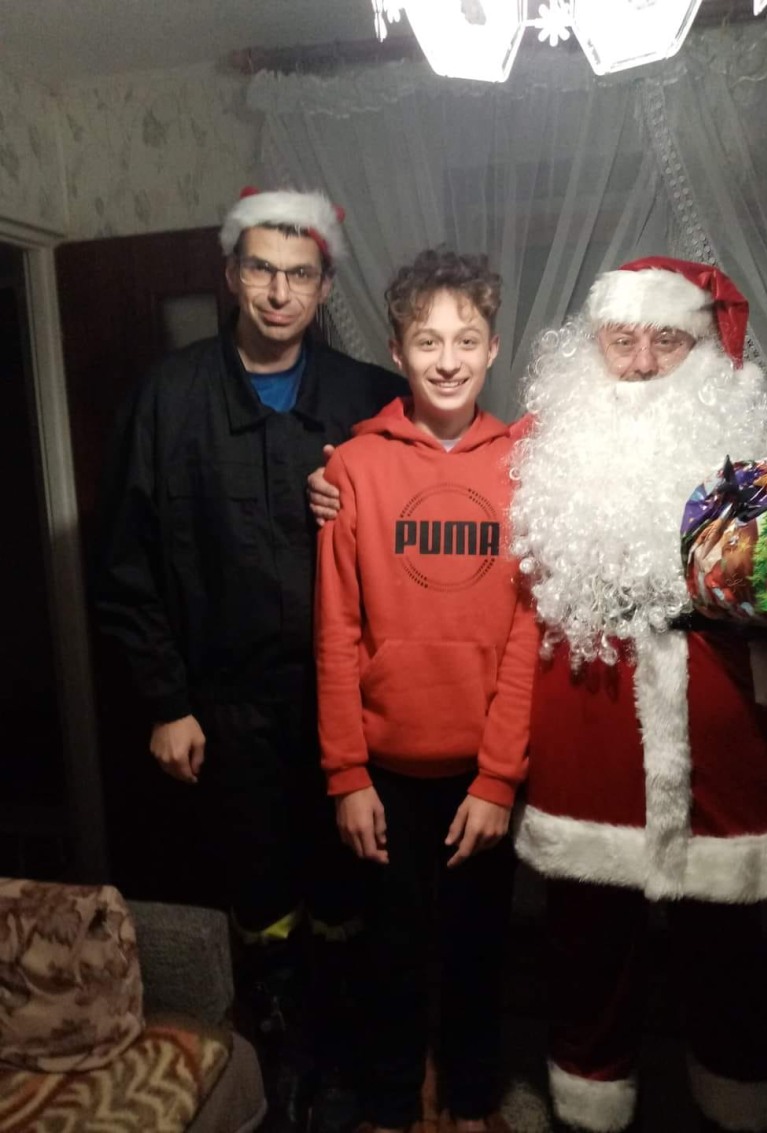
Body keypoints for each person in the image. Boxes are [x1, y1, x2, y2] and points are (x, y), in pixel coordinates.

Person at [508, 257, 767, 1133]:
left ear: (705, 348)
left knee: (728, 947)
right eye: (622, 340)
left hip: (726, 738)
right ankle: (588, 1097)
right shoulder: (543, 445)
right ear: (592, 347)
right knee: (586, 940)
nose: (642, 363)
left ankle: (737, 1094)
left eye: (667, 339)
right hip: (591, 731)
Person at [94, 185, 406, 1130]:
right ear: (232, 275)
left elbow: (424, 542)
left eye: (299, 275)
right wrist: (165, 700)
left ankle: (353, 1059)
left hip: (350, 700)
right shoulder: (169, 396)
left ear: (324, 288)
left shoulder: (367, 396)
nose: (279, 292)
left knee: (353, 884)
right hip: (225, 705)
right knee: (260, 889)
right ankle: (284, 1063)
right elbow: (125, 561)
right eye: (262, 270)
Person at [314, 250, 539, 1133]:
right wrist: (346, 773)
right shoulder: (354, 466)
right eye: (428, 340)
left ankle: (473, 1100)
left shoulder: (528, 467)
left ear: (493, 349)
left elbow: (527, 634)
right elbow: (335, 629)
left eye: (467, 339)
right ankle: (391, 1102)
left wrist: (499, 778)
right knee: (390, 955)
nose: (448, 359)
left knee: (480, 952)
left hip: (481, 774)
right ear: (398, 351)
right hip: (383, 772)